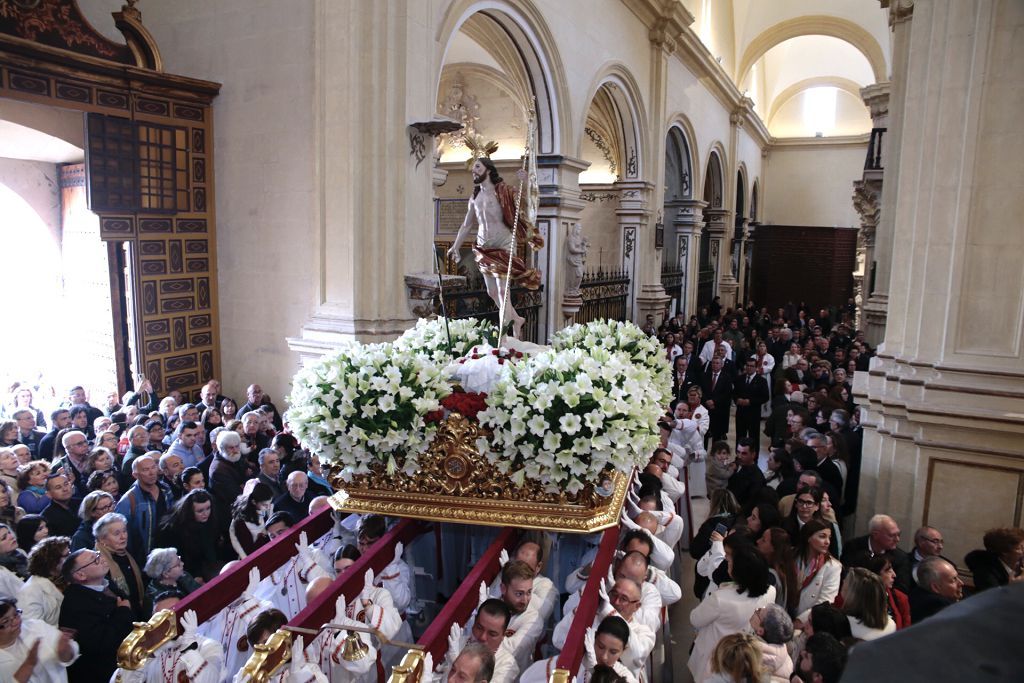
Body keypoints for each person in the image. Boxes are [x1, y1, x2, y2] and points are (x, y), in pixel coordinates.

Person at [689, 544, 776, 681]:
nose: (727, 561)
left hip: (716, 655)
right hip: (746, 657)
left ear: (738, 571)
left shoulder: (721, 598)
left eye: (730, 562)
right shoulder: (771, 591)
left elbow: (695, 619)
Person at [58, 548, 135, 682]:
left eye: (98, 555)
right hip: (103, 672)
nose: (103, 559)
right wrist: (123, 611)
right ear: (80, 575)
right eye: (95, 560)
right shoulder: (75, 603)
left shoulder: (106, 583)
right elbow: (102, 642)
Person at [0, 595, 78, 682]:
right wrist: (29, 665)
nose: (16, 621)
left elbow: (71, 650)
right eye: (6, 621)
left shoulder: (35, 626)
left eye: (15, 614)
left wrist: (65, 653)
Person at [114, 455, 174, 564]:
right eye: (146, 470)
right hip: (145, 558)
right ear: (135, 475)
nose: (151, 473)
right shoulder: (128, 501)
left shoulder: (165, 489)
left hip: (168, 548)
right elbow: (125, 536)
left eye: (153, 467)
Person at [158, 489, 223, 582]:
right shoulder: (172, 529)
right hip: (180, 571)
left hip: (203, 565)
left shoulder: (210, 520)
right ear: (189, 511)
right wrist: (195, 575)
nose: (206, 513)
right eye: (200, 511)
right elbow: (177, 559)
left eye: (208, 508)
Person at [93, 513, 146, 620]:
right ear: (102, 539)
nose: (123, 536)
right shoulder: (98, 562)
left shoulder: (127, 552)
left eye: (124, 531)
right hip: (119, 616)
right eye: (117, 533)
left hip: (137, 610)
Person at [841, 514, 911, 594]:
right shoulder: (853, 547)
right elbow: (846, 575)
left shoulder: (900, 557)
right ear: (875, 535)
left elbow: (902, 588)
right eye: (892, 535)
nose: (897, 539)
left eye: (898, 534)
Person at [794, 519, 842, 620]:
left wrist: (801, 620)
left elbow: (825, 602)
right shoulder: (792, 557)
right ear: (808, 537)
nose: (827, 542)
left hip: (809, 622)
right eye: (822, 536)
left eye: (829, 537)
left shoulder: (833, 567)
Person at [19, 536, 69, 626]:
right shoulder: (30, 591)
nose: (71, 557)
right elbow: (34, 627)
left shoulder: (65, 577)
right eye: (67, 555)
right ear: (53, 561)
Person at [839, 566, 895, 641]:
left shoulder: (843, 624)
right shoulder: (891, 625)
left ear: (853, 594)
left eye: (847, 580)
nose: (843, 581)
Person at [963, 527, 1024, 591]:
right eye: (1020, 548)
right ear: (1004, 552)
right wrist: (1014, 587)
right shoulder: (985, 574)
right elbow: (996, 599)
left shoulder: (1019, 566)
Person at [909, 556, 963, 623]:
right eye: (953, 580)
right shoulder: (938, 605)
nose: (961, 583)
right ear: (936, 587)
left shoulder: (917, 593)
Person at [748, 604, 793, 681]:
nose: (755, 610)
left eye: (758, 611)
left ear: (760, 631)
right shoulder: (782, 652)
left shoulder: (750, 656)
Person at [229, 482, 273, 558]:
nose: (268, 507)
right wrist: (263, 535)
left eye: (270, 503)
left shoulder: (264, 511)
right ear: (253, 502)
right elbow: (250, 552)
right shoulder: (241, 522)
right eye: (265, 505)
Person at [732, 358, 769, 443]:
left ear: (756, 367)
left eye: (751, 366)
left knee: (754, 437)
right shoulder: (739, 378)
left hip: (754, 413)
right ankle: (739, 455)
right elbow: (734, 393)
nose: (749, 368)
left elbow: (765, 397)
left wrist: (750, 401)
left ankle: (754, 456)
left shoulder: (761, 381)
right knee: (740, 436)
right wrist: (737, 399)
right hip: (741, 413)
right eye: (747, 365)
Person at [726, 438, 764, 509]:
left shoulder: (756, 477)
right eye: (738, 452)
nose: (739, 456)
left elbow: (751, 503)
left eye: (744, 453)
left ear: (753, 455)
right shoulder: (735, 465)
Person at [40, 474, 79, 539]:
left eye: (66, 484)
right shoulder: (47, 517)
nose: (65, 489)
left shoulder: (82, 503)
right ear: (49, 494)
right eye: (58, 487)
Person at [0, 523, 26, 596]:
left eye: (9, 533)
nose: (11, 536)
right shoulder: (1, 573)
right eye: (4, 538)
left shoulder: (20, 553)